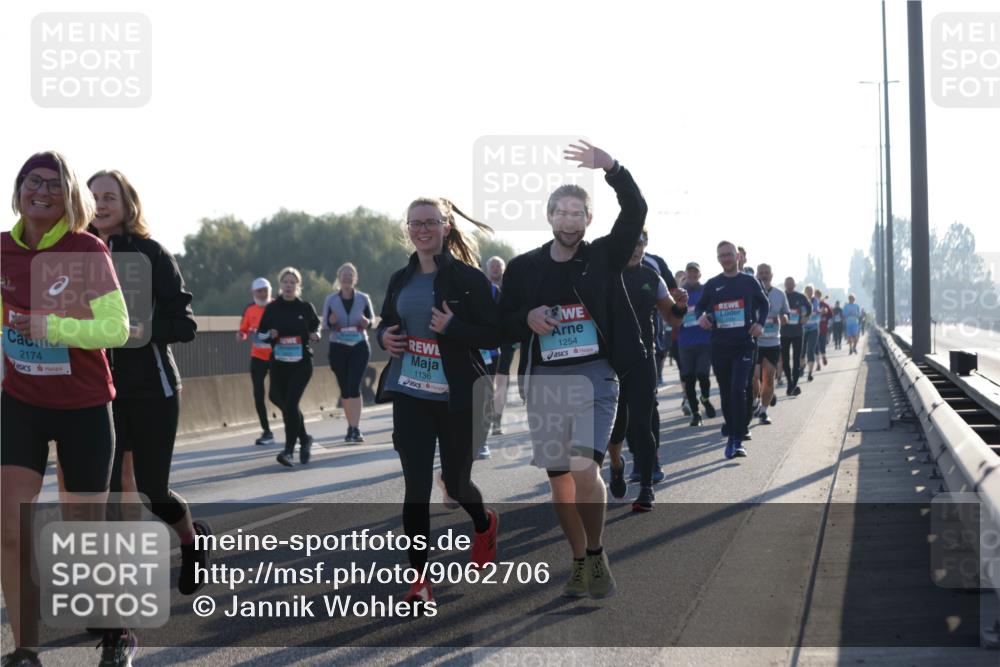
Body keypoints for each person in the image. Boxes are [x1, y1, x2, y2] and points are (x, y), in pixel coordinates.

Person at [500, 140, 646, 598]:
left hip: (595, 378)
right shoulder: (524, 268)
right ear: (549, 217)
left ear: (588, 220)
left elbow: (636, 209)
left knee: (585, 468)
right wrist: (526, 317)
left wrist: (613, 168)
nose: (569, 220)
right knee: (560, 480)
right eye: (560, 212)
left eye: (577, 212)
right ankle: (579, 559)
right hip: (544, 382)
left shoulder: (603, 255)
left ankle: (598, 551)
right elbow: (500, 321)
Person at [2, 152, 130, 667]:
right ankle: (24, 649)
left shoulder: (86, 249)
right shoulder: (1, 251)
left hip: (83, 405)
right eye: (33, 182)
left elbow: (116, 329)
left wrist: (53, 328)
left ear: (68, 196)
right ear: (18, 189)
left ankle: (116, 630)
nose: (42, 191)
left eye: (54, 185)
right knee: (10, 526)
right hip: (21, 403)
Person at [88, 168, 211, 661]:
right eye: (93, 196)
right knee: (113, 502)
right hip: (98, 393)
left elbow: (185, 323)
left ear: (126, 202)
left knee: (150, 492)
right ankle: (118, 620)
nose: (100, 203)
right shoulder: (77, 254)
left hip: (153, 389)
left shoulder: (150, 253)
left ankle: (191, 541)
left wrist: (138, 326)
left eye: (109, 196)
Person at [375, 196, 500, 608]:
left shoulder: (469, 280)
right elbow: (386, 323)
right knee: (415, 488)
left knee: (457, 482)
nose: (422, 229)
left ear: (446, 227)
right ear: (407, 229)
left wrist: (454, 327)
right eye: (415, 223)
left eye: (430, 222)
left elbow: (494, 334)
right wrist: (385, 338)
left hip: (457, 397)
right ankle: (419, 581)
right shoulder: (400, 279)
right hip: (410, 392)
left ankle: (484, 523)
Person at [606, 230, 684, 511]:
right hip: (611, 361)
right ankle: (616, 464)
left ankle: (647, 486)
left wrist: (682, 307)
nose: (636, 249)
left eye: (640, 243)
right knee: (616, 428)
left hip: (643, 358)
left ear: (645, 246)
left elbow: (672, 318)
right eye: (631, 243)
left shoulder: (653, 278)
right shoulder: (606, 275)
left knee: (642, 422)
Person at [694, 241, 769, 459]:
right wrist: (701, 317)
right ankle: (733, 428)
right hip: (720, 345)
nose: (726, 258)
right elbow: (700, 306)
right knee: (727, 392)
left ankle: (735, 440)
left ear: (737, 256)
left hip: (744, 344)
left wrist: (760, 324)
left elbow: (764, 304)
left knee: (738, 389)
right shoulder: (712, 284)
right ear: (718, 259)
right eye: (721, 256)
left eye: (729, 254)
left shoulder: (748, 282)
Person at [258, 267, 321, 467]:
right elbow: (260, 334)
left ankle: (288, 451)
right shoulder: (272, 308)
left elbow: (316, 327)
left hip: (301, 363)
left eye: (292, 282)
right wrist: (270, 334)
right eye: (285, 282)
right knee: (276, 397)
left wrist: (315, 334)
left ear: (298, 286)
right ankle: (305, 438)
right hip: (279, 363)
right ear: (280, 285)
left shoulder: (305, 307)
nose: (288, 285)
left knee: (291, 404)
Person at [322, 262, 374, 443]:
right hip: (338, 347)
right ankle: (350, 427)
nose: (346, 278)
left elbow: (372, 320)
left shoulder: (363, 298)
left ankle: (356, 428)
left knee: (354, 385)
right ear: (338, 278)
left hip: (359, 346)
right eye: (343, 275)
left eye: (350, 275)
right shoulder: (331, 300)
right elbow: (324, 325)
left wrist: (366, 322)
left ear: (355, 279)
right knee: (345, 388)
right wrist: (331, 321)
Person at [677, 262, 717, 426]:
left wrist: (710, 318)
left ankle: (705, 399)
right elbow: (668, 312)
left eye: (696, 272)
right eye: (690, 272)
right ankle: (695, 413)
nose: (693, 275)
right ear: (686, 273)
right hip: (685, 342)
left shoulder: (705, 290)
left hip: (704, 341)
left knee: (702, 375)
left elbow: (715, 309)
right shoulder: (679, 293)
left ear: (699, 274)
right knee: (689, 379)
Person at [238, 278, 275, 445]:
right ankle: (267, 431)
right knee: (258, 394)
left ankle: (293, 425)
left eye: (265, 290)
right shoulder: (249, 309)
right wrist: (241, 335)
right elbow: (244, 330)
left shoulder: (276, 306)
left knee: (278, 395)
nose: (263, 294)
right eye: (259, 291)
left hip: (277, 356)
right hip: (258, 356)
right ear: (254, 293)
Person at [752, 263, 789, 425]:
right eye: (761, 273)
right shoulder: (751, 293)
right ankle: (754, 401)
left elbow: (785, 312)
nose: (764, 275)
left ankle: (764, 411)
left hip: (773, 341)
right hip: (755, 341)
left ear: (771, 275)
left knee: (768, 378)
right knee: (754, 377)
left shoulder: (780, 294)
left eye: (767, 273)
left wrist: (785, 318)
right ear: (757, 275)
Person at [486, 256, 515, 436]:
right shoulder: (483, 288)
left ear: (503, 269)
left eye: (498, 266)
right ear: (488, 269)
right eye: (493, 266)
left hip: (507, 340)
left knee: (502, 379)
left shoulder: (510, 288)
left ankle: (497, 419)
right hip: (488, 340)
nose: (495, 268)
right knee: (488, 381)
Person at [780, 277, 811, 396]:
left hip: (798, 332)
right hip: (784, 332)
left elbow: (809, 307)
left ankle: (793, 384)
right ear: (785, 284)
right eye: (787, 284)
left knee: (797, 359)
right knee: (785, 360)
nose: (789, 285)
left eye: (791, 284)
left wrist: (806, 317)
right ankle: (789, 382)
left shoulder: (800, 296)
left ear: (795, 285)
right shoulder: (782, 296)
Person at [801, 284, 821, 383]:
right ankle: (802, 366)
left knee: (810, 350)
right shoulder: (801, 300)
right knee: (802, 351)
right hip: (803, 329)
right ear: (805, 291)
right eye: (807, 290)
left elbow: (816, 311)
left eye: (811, 290)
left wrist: (816, 312)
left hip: (813, 328)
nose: (809, 292)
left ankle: (809, 373)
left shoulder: (815, 301)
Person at [814, 288, 833, 368]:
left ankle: (821, 358)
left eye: (818, 295)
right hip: (816, 328)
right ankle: (819, 362)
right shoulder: (815, 304)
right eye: (816, 295)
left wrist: (825, 318)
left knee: (820, 345)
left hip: (821, 327)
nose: (817, 297)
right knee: (818, 345)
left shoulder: (824, 305)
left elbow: (830, 314)